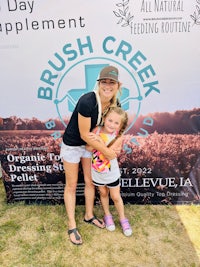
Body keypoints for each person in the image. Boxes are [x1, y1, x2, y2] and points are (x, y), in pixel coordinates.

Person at [60, 65, 123, 245]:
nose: (108, 86)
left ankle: (88, 215)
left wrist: (116, 145)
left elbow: (118, 129)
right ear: (99, 83)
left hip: (91, 146)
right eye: (104, 82)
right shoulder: (87, 101)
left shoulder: (115, 105)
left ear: (118, 85)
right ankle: (72, 224)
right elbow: (84, 133)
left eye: (112, 83)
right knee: (71, 185)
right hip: (73, 145)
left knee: (90, 182)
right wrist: (108, 152)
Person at [86, 106, 133, 237]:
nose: (112, 124)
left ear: (121, 125)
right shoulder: (96, 130)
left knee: (116, 196)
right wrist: (93, 140)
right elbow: (89, 148)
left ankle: (123, 219)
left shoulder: (118, 137)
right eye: (110, 120)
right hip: (97, 170)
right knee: (102, 192)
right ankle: (107, 215)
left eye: (116, 123)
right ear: (104, 118)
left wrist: (99, 141)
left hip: (111, 172)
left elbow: (110, 155)